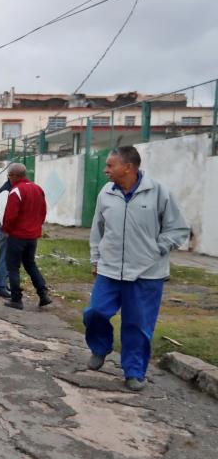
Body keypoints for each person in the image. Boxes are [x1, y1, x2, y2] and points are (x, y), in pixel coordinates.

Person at [84, 146, 189, 391]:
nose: (105, 170)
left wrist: (156, 248)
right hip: (109, 270)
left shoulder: (158, 192)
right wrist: (95, 259)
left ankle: (133, 371)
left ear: (128, 167)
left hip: (147, 274)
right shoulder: (106, 192)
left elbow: (178, 229)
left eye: (110, 165)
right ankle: (100, 347)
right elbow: (97, 229)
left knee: (137, 325)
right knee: (95, 313)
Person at [1, 163, 51, 310]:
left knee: (13, 267)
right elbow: (43, 212)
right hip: (32, 236)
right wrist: (36, 227)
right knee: (30, 264)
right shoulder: (38, 189)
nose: (9, 179)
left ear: (15, 176)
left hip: (17, 235)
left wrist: (6, 230)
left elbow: (11, 215)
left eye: (9, 176)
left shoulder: (16, 191)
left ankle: (16, 299)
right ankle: (43, 294)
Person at [0, 177, 12, 298]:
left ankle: (3, 282)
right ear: (12, 176)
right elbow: (4, 213)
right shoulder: (4, 192)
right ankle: (0, 286)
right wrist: (7, 229)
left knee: (8, 257)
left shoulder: (9, 189)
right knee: (4, 257)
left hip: (6, 228)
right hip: (4, 228)